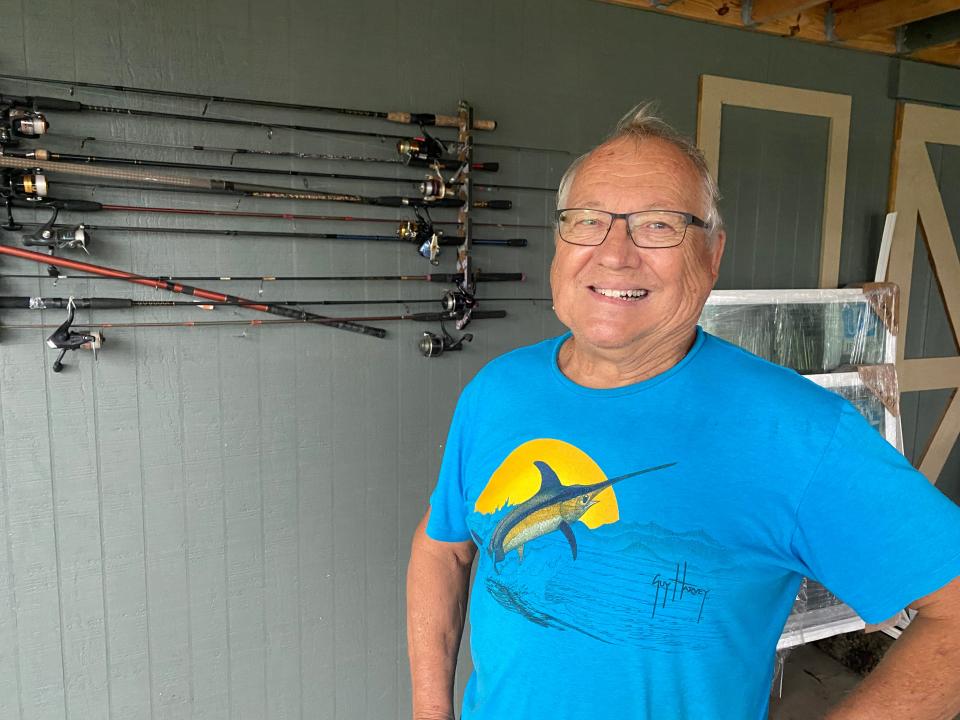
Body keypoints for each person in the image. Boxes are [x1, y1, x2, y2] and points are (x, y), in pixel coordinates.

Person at [406, 104, 960, 720]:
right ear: (559, 245)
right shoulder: (496, 390)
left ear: (712, 254)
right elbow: (444, 548)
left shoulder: (798, 431)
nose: (615, 254)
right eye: (587, 221)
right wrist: (431, 711)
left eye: (660, 225)